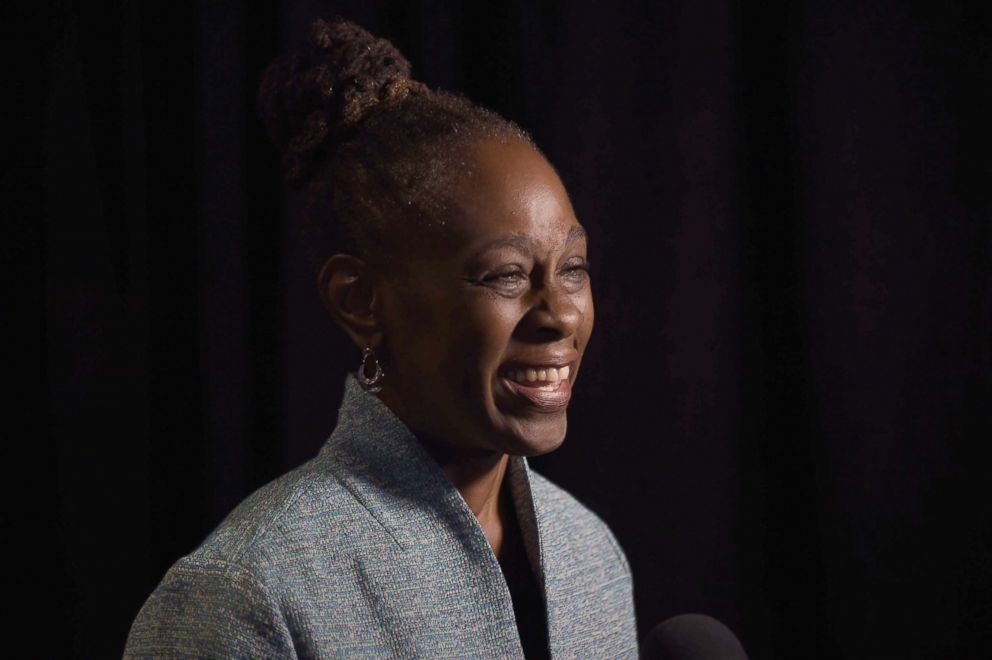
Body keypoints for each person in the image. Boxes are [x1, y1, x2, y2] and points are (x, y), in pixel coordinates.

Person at [124, 17, 637, 658]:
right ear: (361, 301)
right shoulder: (246, 595)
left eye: (573, 270)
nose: (558, 314)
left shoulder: (591, 556)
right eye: (507, 275)